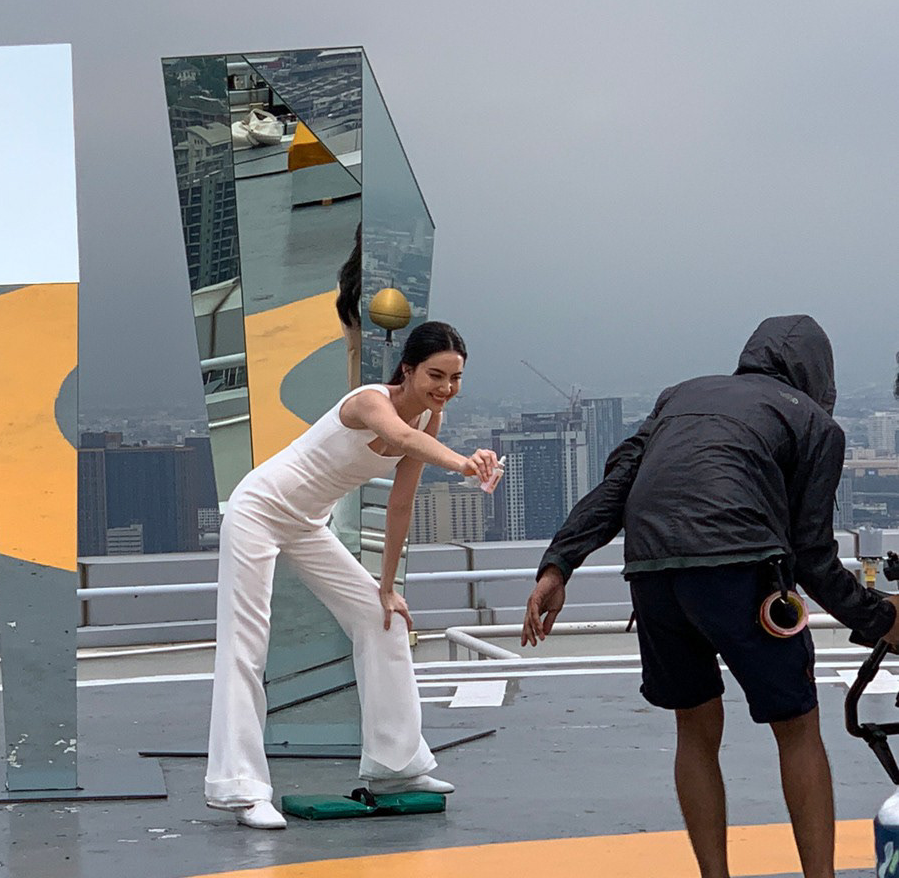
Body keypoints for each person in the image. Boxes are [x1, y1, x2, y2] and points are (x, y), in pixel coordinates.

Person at [522, 315, 899, 878]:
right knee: (796, 728)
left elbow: (617, 485)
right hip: (741, 569)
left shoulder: (680, 397)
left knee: (695, 729)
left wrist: (558, 565)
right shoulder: (815, 423)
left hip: (652, 570)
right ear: (821, 374)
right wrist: (880, 619)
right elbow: (813, 554)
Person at [206, 320, 501, 829]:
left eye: (455, 378)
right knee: (246, 644)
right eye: (436, 375)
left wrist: (386, 588)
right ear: (407, 370)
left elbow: (400, 503)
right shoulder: (369, 402)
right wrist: (465, 464)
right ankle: (242, 789)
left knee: (381, 618)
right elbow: (399, 436)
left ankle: (396, 767)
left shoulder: (428, 420)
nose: (445, 388)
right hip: (258, 510)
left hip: (307, 524)